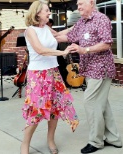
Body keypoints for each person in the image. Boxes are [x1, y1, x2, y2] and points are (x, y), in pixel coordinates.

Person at [56, 0, 122, 153]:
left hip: (101, 68)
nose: (78, 7)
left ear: (91, 3)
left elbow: (106, 43)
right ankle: (114, 139)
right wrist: (45, 33)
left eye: (81, 4)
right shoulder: (82, 22)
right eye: (77, 4)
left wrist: (83, 49)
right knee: (102, 104)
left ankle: (96, 141)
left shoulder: (101, 19)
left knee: (90, 102)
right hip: (89, 69)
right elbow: (68, 37)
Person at [21, 1, 79, 154]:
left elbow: (59, 35)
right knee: (36, 110)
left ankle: (50, 140)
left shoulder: (46, 28)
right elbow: (40, 50)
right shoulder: (30, 31)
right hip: (38, 75)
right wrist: (62, 53)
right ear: (37, 13)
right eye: (47, 10)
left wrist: (79, 25)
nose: (49, 13)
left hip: (53, 73)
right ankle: (25, 145)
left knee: (55, 108)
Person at [47, 18, 70, 88]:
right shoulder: (33, 30)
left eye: (48, 23)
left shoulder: (49, 30)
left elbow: (58, 35)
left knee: (62, 67)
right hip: (50, 55)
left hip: (56, 52)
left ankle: (65, 82)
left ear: (50, 24)